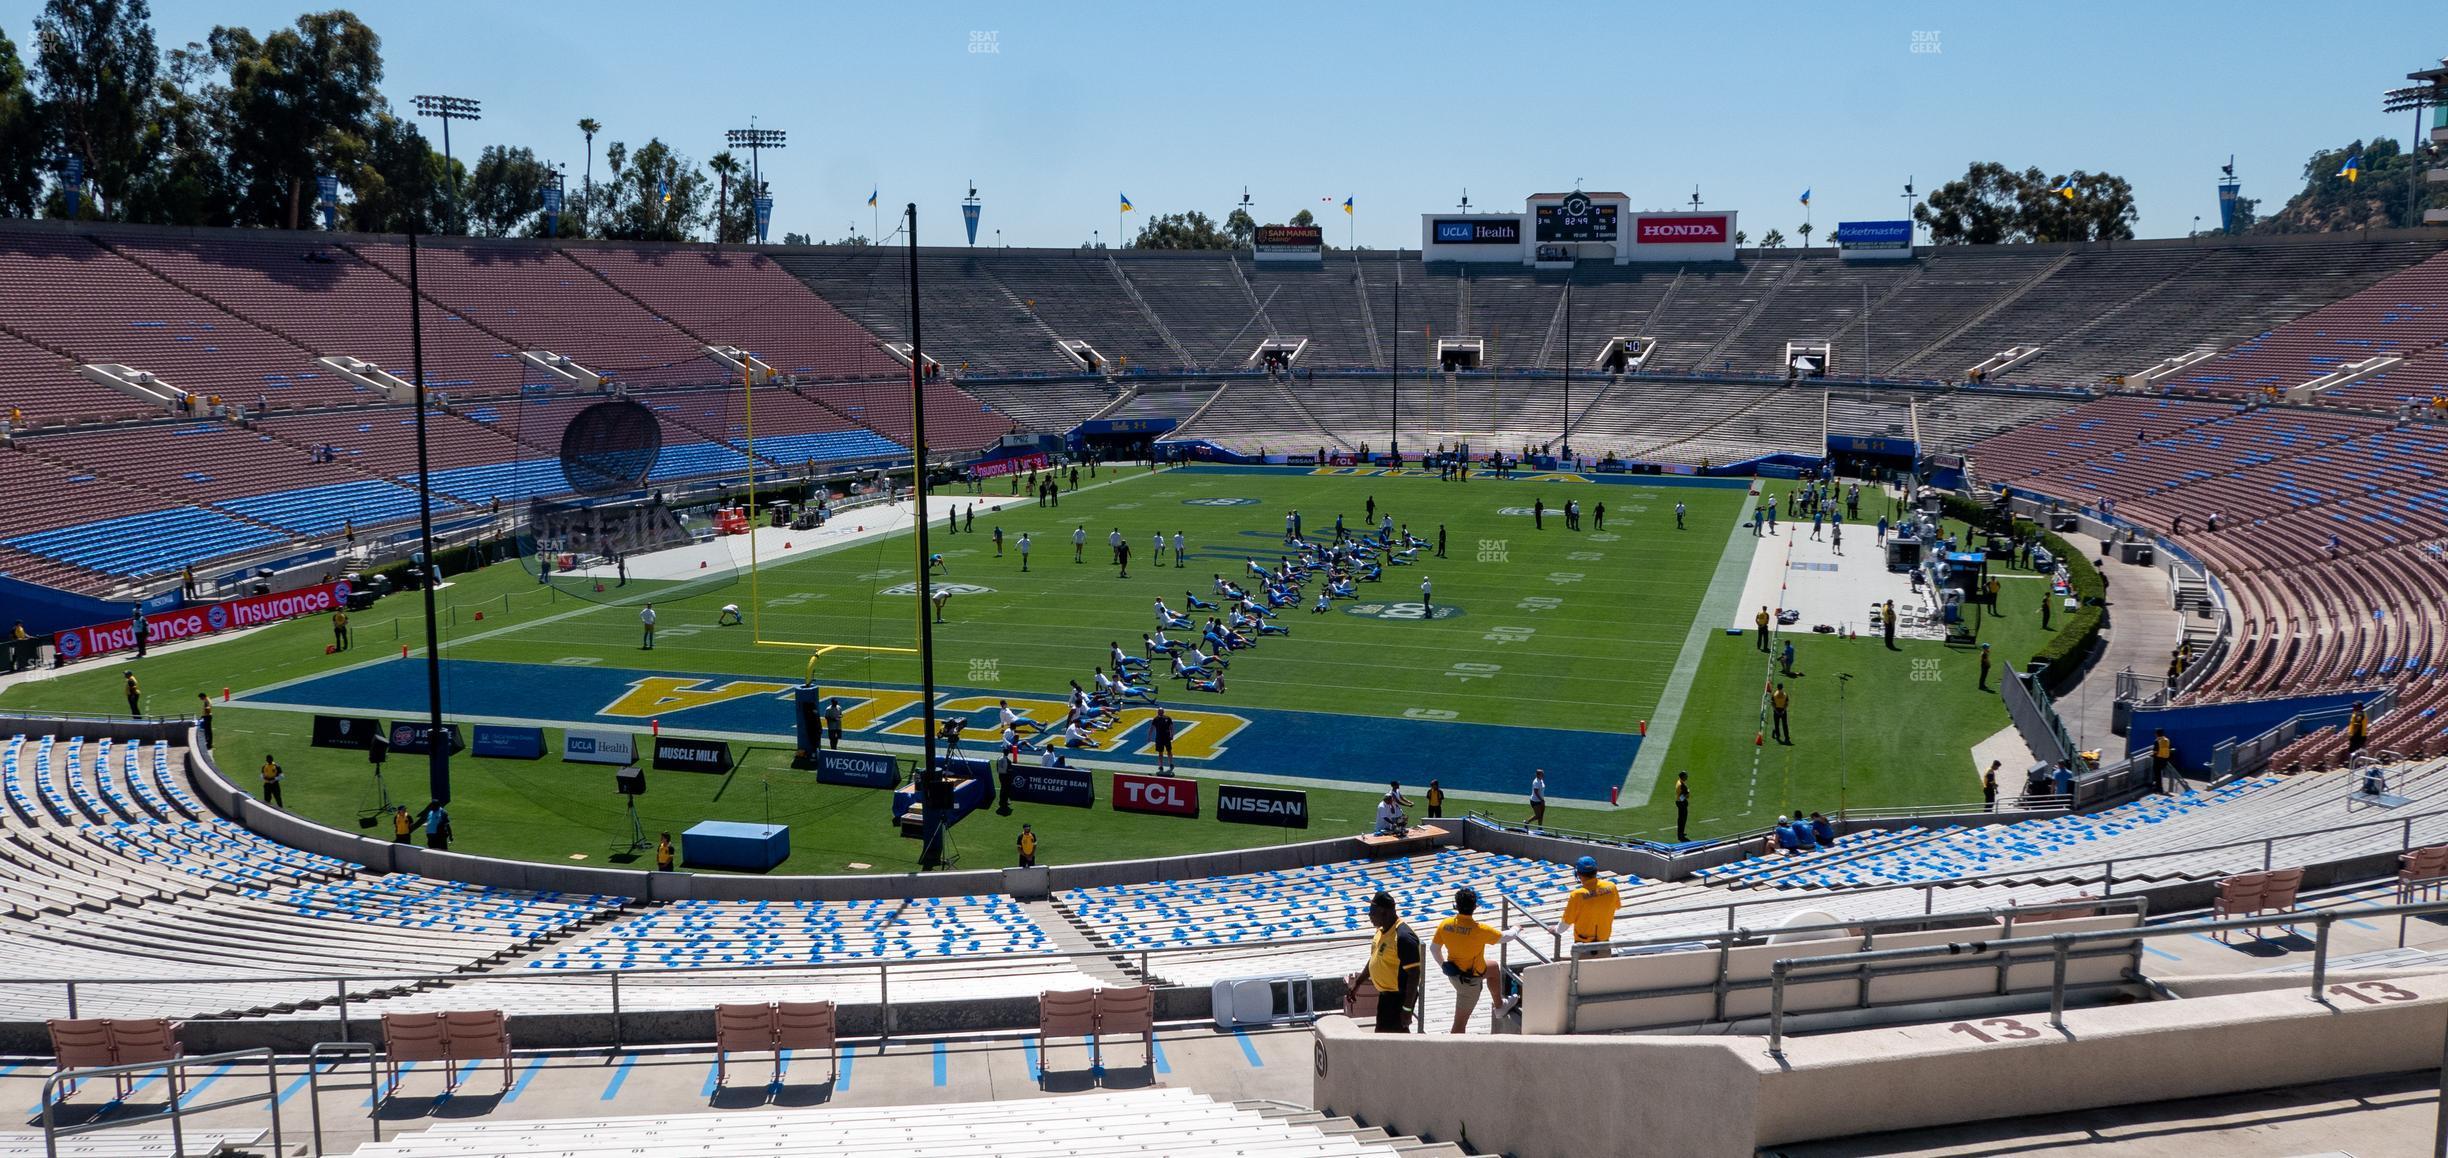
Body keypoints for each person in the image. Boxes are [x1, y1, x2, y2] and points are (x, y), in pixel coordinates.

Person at [1431, 886, 1504, 1034]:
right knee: (1459, 1025)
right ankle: (1454, 1054)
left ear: (1456, 905)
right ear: (1475, 907)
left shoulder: (1445, 924)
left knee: (1494, 968)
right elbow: (1505, 937)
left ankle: (1499, 1007)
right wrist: (1516, 928)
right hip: (1469, 981)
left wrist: (1444, 965)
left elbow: (1434, 949)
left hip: (1454, 973)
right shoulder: (1480, 929)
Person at [1358, 891, 1422, 1034]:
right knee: (1388, 1042)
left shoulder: (1404, 937)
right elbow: (1374, 958)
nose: (1369, 915)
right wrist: (1358, 982)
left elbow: (1414, 975)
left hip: (1398, 999)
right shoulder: (1381, 931)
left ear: (1384, 912)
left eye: (1372, 911)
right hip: (1386, 997)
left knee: (1391, 1044)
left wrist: (1407, 1009)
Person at [1561, 856, 1618, 956]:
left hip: (1583, 947)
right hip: (1604, 944)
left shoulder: (1577, 894)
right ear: (1596, 871)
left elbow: (1566, 922)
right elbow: (1617, 906)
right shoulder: (1611, 887)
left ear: (1578, 874)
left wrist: (1556, 930)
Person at [1150, 707, 1176, 774]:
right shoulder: (1156, 719)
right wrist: (1149, 736)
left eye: (1161, 711)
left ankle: (1171, 763)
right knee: (1160, 752)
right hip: (1159, 738)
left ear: (1163, 712)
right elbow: (1152, 728)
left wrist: (1172, 735)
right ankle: (1161, 766)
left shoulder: (1167, 718)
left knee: (1169, 751)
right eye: (1159, 711)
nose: (1160, 712)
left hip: (1167, 737)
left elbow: (1171, 727)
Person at [1674, 771, 1691, 841]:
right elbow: (1687, 795)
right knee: (1682, 819)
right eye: (1686, 776)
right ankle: (1680, 835)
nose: (1687, 777)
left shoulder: (1679, 781)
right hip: (1682, 803)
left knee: (1681, 819)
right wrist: (1688, 791)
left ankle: (1680, 833)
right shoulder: (1682, 785)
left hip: (1679, 802)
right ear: (1683, 777)